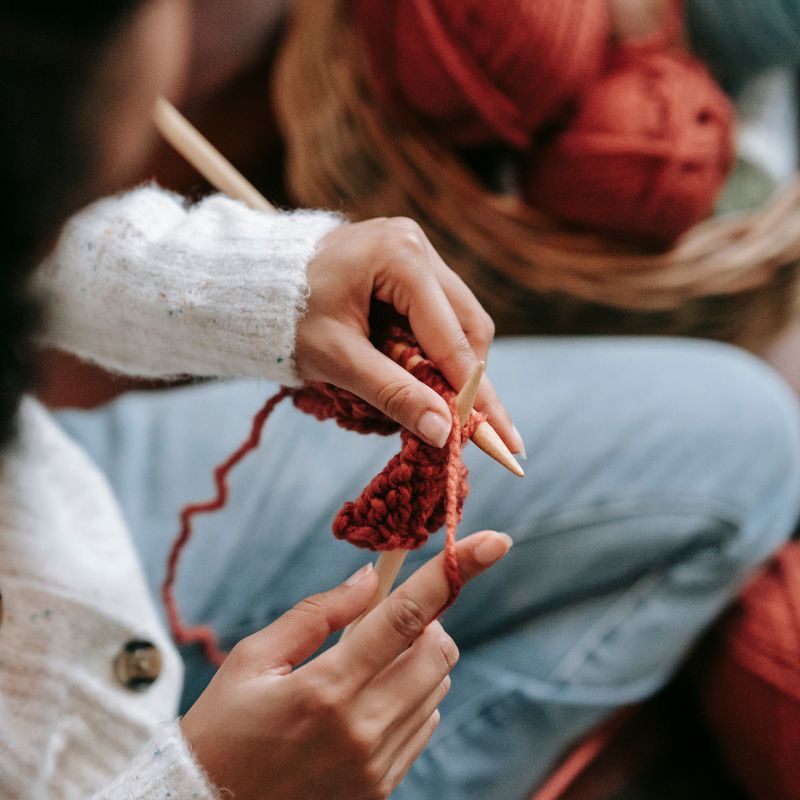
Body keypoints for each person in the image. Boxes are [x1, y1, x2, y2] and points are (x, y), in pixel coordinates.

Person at [3, 3, 800, 800]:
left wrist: (268, 285)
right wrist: (208, 784)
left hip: (67, 513)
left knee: (751, 432)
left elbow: (29, 223)